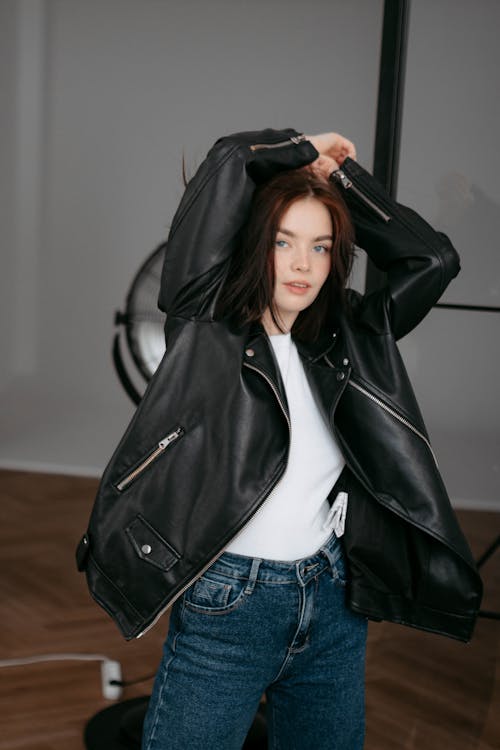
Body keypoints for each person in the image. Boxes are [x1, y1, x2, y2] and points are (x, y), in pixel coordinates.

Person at [76, 129, 483, 750]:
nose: (301, 263)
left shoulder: (350, 338)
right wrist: (297, 148)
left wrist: (344, 181)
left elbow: (432, 260)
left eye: (320, 247)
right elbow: (226, 163)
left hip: (332, 598)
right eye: (282, 241)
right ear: (250, 245)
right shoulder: (205, 324)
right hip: (230, 604)